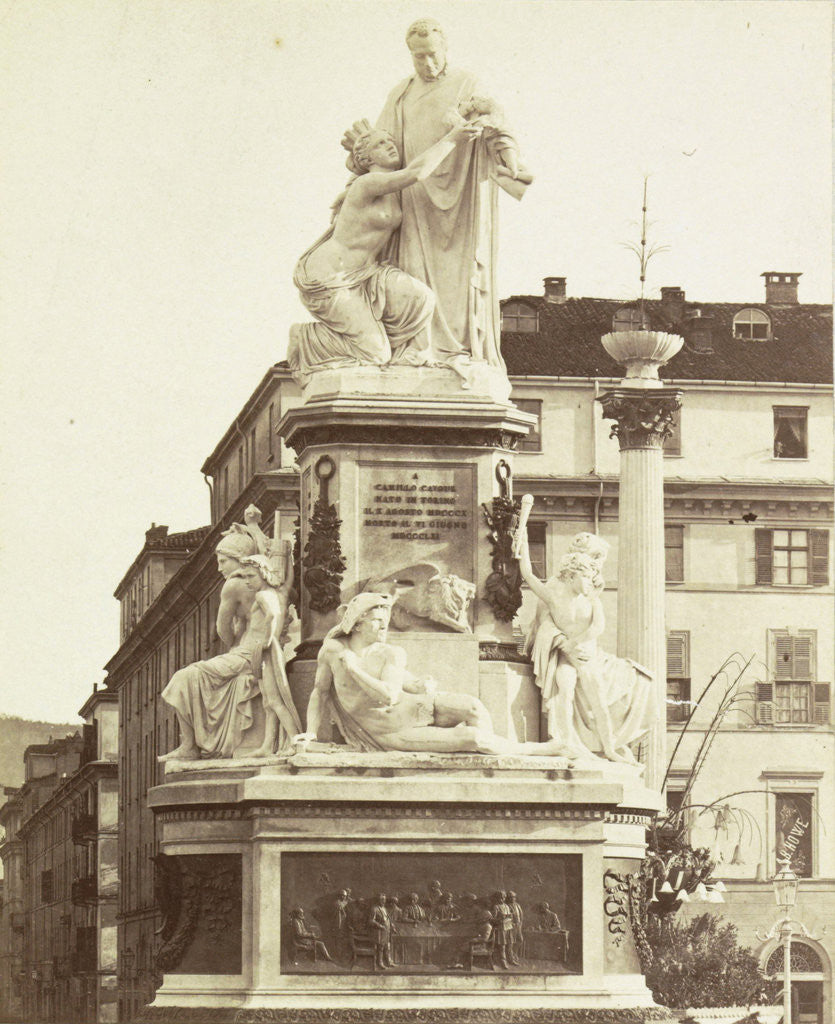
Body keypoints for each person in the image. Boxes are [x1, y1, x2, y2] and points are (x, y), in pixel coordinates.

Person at [377, 19, 532, 377]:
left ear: (445, 49)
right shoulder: (400, 93)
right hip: (416, 194)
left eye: (432, 55)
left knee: (458, 278)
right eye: (419, 58)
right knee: (414, 272)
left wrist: (508, 155)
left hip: (463, 195)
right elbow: (380, 143)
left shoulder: (467, 83)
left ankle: (459, 349)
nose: (427, 64)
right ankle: (419, 347)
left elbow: (496, 123)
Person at [288, 117, 480, 386]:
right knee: (374, 353)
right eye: (381, 144)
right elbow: (416, 173)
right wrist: (454, 137)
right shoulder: (367, 183)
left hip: (366, 273)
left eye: (391, 141)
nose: (390, 146)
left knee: (420, 297)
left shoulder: (387, 186)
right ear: (366, 158)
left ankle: (410, 357)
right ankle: (306, 337)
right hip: (331, 278)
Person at [296, 592, 571, 756]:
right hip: (392, 731)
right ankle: (533, 751)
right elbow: (319, 693)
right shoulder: (332, 650)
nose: (384, 628)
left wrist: (415, 684)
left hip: (411, 708)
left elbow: (391, 693)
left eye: (386, 622)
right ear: (356, 625)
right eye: (377, 622)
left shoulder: (390, 652)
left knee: (472, 706)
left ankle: (489, 759)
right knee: (471, 738)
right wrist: (310, 733)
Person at [514, 527, 652, 764]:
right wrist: (523, 541)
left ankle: (609, 748)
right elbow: (528, 574)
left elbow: (598, 627)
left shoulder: (591, 600)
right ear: (570, 577)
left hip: (586, 656)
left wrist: (574, 643)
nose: (591, 582)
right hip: (567, 658)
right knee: (563, 690)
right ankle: (567, 742)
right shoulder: (554, 597)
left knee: (598, 701)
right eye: (585, 577)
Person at [159, 527, 262, 760]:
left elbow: (221, 628)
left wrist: (234, 640)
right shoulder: (263, 581)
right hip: (257, 654)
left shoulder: (234, 585)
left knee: (184, 678)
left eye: (223, 561)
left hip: (244, 654)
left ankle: (189, 746)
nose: (219, 568)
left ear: (238, 559)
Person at [238, 551, 303, 757]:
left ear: (264, 574)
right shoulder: (279, 592)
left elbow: (273, 614)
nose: (247, 581)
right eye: (244, 576)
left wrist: (267, 640)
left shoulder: (262, 595)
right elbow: (288, 580)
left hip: (266, 651)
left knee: (275, 701)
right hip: (272, 650)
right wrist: (289, 557)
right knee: (268, 702)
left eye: (251, 576)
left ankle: (294, 742)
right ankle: (268, 745)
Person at [368, 894, 396, 969]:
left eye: (384, 899)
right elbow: (371, 920)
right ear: (378, 900)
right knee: (381, 947)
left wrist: (392, 925)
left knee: (387, 947)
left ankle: (389, 962)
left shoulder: (384, 908)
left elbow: (388, 919)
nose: (384, 901)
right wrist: (380, 926)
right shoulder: (374, 909)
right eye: (382, 899)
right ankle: (380, 963)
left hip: (387, 931)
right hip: (379, 932)